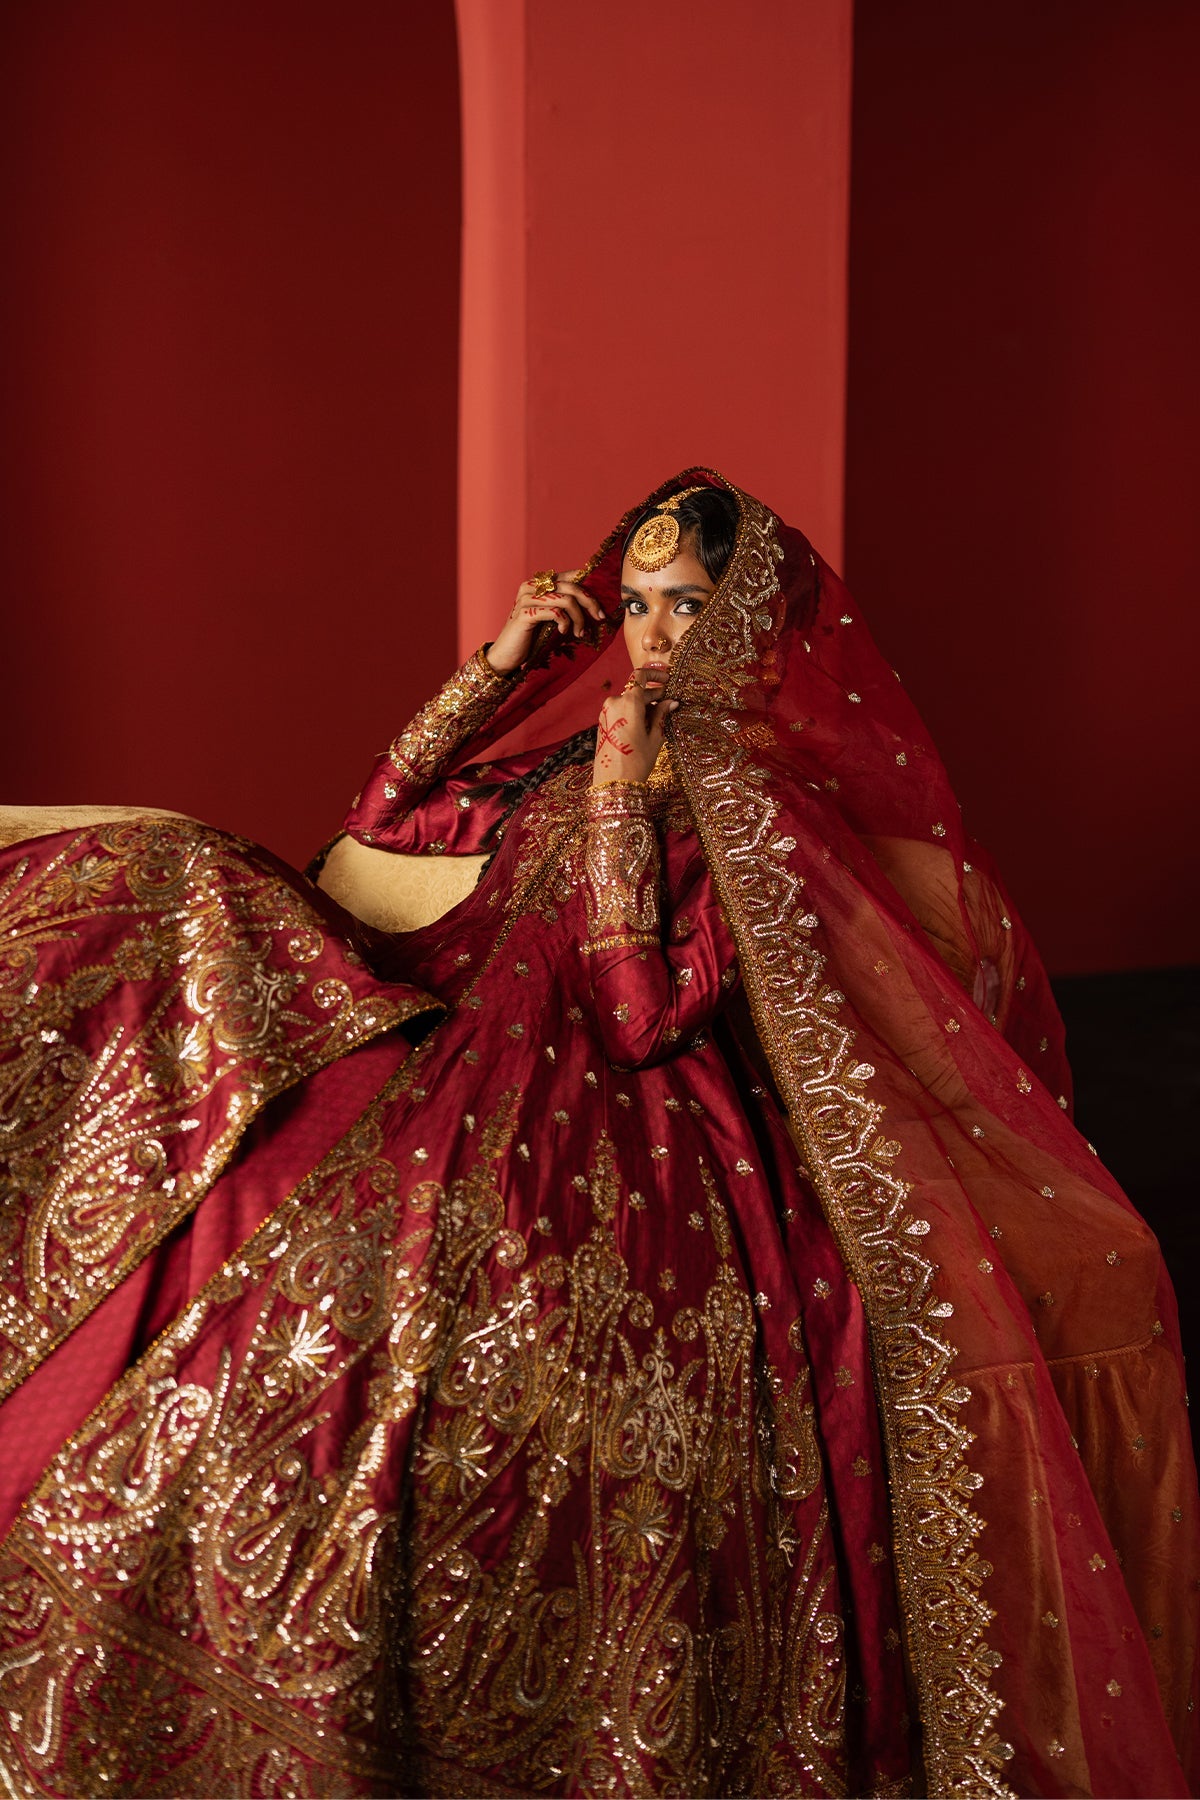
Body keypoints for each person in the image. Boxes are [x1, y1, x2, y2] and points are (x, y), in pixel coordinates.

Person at [0, 470, 1194, 1799]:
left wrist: (627, 795)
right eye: (636, 605)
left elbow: (642, 1014)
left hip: (602, 1100)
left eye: (688, 605)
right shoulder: (566, 751)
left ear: (751, 626)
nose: (657, 635)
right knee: (179, 878)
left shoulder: (757, 816)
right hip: (441, 1015)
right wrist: (500, 670)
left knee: (396, 1259)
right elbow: (383, 822)